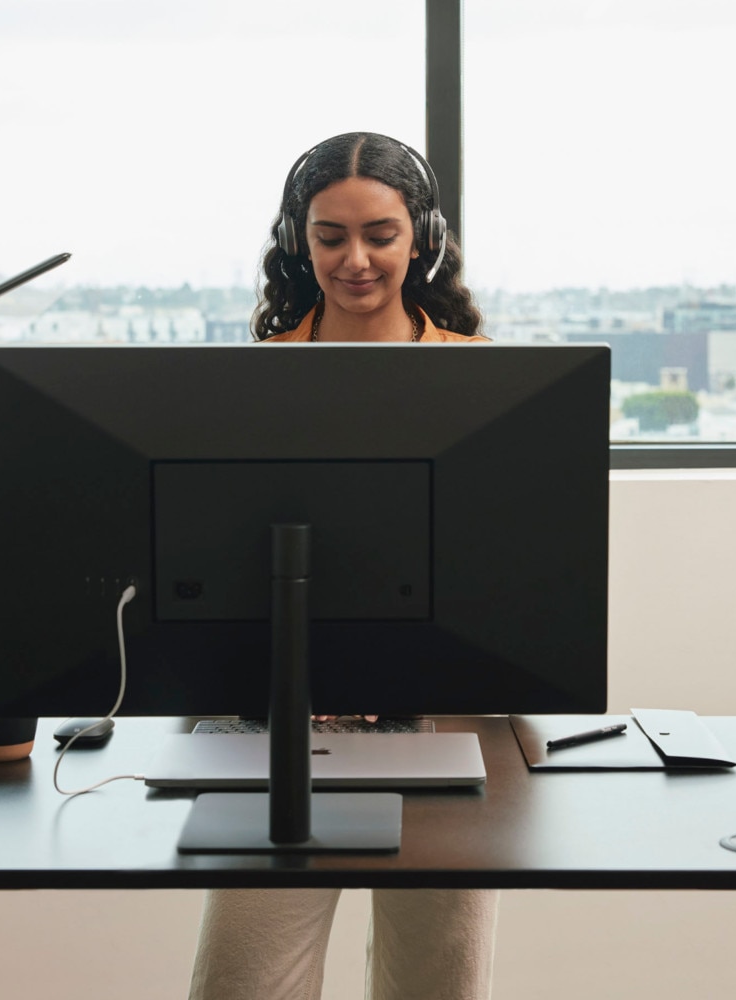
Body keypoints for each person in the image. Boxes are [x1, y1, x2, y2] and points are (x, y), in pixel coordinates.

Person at [188, 132, 496, 1000]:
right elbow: (213, 568)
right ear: (298, 241)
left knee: (439, 984)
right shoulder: (252, 384)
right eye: (330, 236)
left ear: (422, 238)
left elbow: (518, 572)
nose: (355, 260)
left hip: (445, 718)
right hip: (281, 722)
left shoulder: (487, 382)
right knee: (242, 983)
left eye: (381, 234)